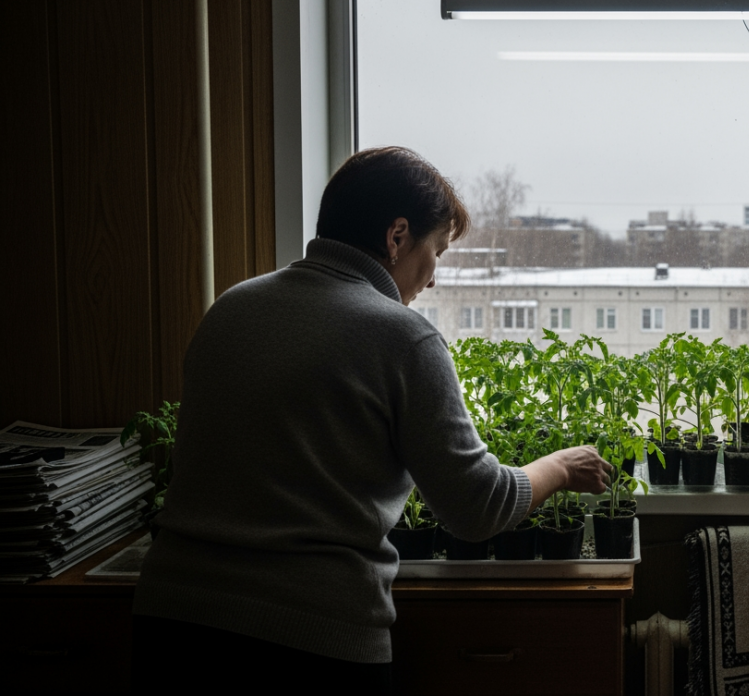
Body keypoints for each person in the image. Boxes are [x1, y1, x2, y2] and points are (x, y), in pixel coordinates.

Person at [131, 147, 613, 694]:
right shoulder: (402, 338)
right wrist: (560, 467)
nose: (432, 279)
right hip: (311, 640)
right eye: (436, 251)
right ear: (397, 236)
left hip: (170, 625)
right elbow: (475, 507)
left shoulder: (231, 308)